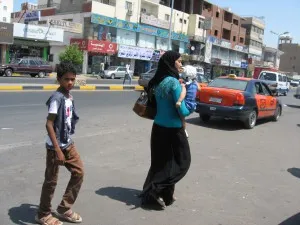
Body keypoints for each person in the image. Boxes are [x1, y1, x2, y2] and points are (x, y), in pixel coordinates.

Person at [140, 51, 192, 210]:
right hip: (173, 131)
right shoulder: (174, 83)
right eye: (179, 61)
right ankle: (155, 189)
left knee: (161, 163)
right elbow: (183, 111)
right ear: (171, 63)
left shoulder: (157, 81)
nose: (181, 64)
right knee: (183, 163)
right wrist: (191, 104)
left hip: (158, 128)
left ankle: (164, 194)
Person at [36, 62, 84, 225]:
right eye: (66, 79)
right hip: (54, 146)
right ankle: (43, 214)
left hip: (67, 143)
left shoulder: (69, 96)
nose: (70, 82)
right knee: (51, 181)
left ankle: (64, 208)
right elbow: (49, 124)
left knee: (79, 172)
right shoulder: (57, 98)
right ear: (59, 79)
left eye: (72, 79)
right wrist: (57, 150)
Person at [176, 65, 200, 138]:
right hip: (193, 104)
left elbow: (183, 93)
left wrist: (179, 101)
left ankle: (184, 131)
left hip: (187, 104)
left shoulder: (185, 84)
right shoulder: (195, 83)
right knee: (182, 117)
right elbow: (199, 89)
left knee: (181, 117)